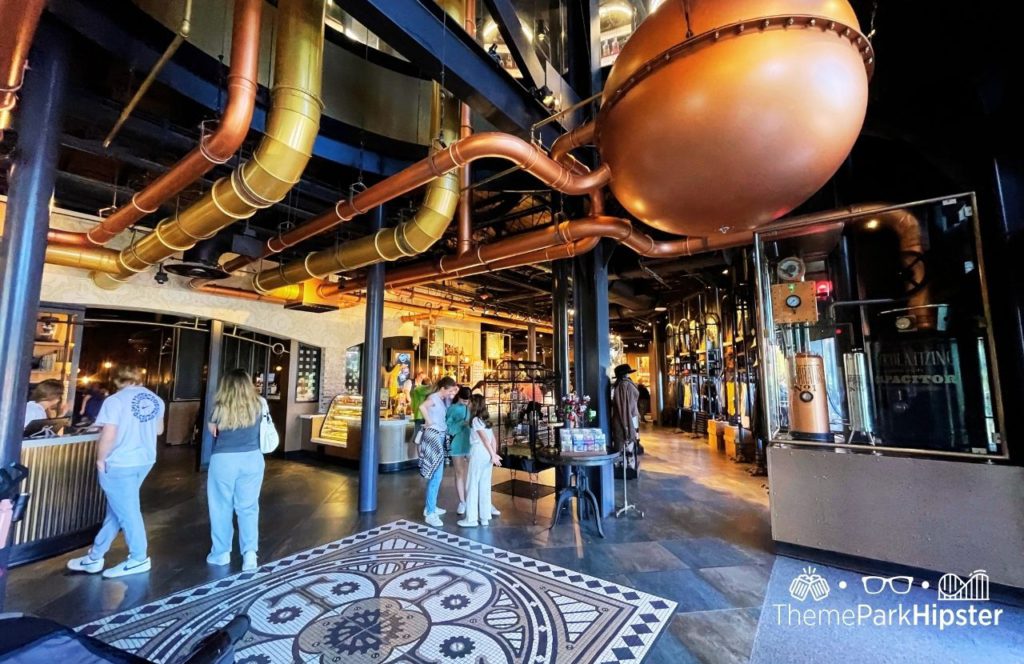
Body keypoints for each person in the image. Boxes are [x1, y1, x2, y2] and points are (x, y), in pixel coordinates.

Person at [66, 366, 164, 578]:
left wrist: (101, 459)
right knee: (118, 509)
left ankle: (139, 558)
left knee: (128, 512)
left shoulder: (115, 401)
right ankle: (95, 556)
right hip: (145, 459)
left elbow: (109, 434)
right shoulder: (156, 399)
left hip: (120, 461)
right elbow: (158, 430)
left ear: (117, 381)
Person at [205, 369, 266, 572]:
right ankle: (250, 554)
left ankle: (221, 553)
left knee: (221, 506)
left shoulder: (218, 407)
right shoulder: (259, 404)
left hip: (223, 460)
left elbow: (212, 431)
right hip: (252, 459)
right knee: (248, 507)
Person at [458, 394, 502, 528]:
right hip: (487, 455)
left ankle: (471, 519)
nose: (469, 404)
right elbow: (493, 439)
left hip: (479, 452)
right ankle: (484, 518)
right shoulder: (485, 420)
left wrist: (493, 454)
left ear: (474, 404)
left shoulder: (476, 420)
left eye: (470, 402)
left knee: (472, 484)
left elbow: (483, 439)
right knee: (484, 484)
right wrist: (493, 454)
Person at [419, 376, 458, 526]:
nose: (450, 393)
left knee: (437, 475)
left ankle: (431, 506)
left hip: (439, 436)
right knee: (436, 475)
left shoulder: (442, 399)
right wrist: (429, 422)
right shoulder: (434, 398)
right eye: (449, 390)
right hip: (434, 436)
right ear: (443, 389)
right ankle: (430, 513)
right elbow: (422, 407)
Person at [611, 363, 641, 476]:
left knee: (630, 443)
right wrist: (627, 425)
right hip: (627, 419)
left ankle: (627, 464)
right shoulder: (624, 385)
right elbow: (624, 407)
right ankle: (626, 466)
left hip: (630, 418)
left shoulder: (623, 384)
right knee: (627, 442)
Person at [446, 387, 472, 514]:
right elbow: (448, 428)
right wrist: (462, 423)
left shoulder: (470, 407)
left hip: (471, 442)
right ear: (459, 396)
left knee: (471, 473)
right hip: (457, 443)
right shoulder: (452, 409)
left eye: (467, 400)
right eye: (463, 399)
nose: (465, 402)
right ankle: (462, 502)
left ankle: (471, 499)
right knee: (459, 473)